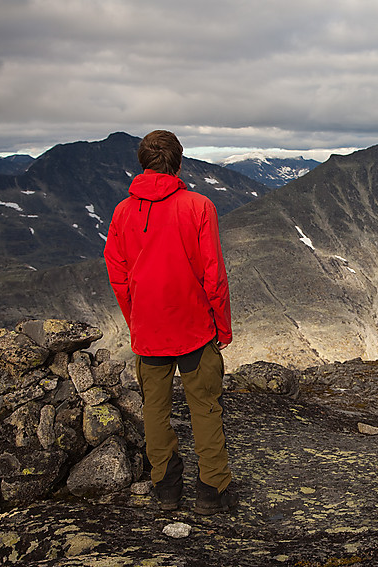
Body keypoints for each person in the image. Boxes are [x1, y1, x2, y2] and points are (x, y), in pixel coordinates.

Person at [104, 129, 237, 514]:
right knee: (206, 408)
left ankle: (165, 486)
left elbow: (118, 273)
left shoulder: (122, 212)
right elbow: (214, 274)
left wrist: (136, 320)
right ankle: (212, 491)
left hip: (149, 330)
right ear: (178, 164)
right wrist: (222, 326)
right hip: (195, 329)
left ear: (143, 165)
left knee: (155, 410)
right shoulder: (198, 206)